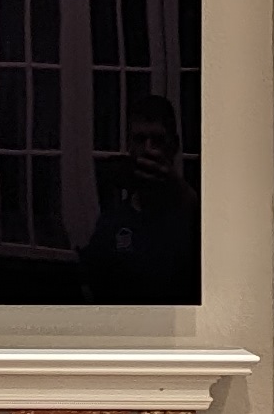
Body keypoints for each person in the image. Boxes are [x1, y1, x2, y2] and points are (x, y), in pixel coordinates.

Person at [79, 99, 199, 302]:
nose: (148, 149)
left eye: (158, 140)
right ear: (130, 146)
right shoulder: (113, 221)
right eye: (140, 139)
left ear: (175, 146)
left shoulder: (193, 216)